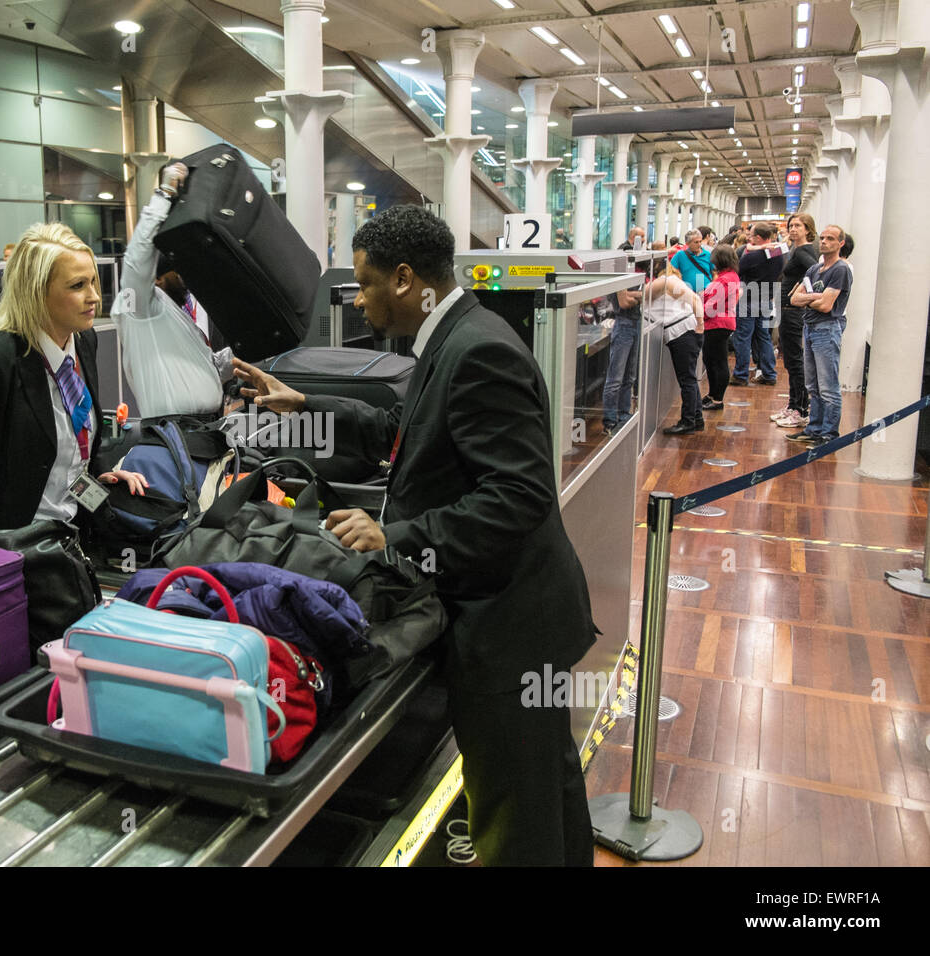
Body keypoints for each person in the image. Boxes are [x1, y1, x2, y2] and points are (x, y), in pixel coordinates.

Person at [233, 205, 597, 866]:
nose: (360, 298)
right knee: (544, 787)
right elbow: (405, 430)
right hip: (512, 615)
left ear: (404, 279)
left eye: (367, 283)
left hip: (512, 622)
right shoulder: (454, 334)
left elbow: (518, 496)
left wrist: (395, 535)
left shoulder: (477, 348)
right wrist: (305, 404)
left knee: (515, 810)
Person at [0, 222, 147, 530]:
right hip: (13, 547)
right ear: (36, 293)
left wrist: (101, 472)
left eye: (94, 282)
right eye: (78, 286)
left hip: (74, 533)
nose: (94, 296)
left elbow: (77, 441)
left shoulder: (83, 341)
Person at [111, 162, 231, 419]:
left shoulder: (180, 310)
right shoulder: (140, 309)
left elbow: (208, 365)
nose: (185, 276)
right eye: (177, 271)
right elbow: (136, 262)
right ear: (155, 280)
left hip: (206, 431)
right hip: (174, 435)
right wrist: (163, 196)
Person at [786, 224, 852, 446]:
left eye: (830, 238)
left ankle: (828, 433)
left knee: (828, 386)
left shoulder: (841, 269)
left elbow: (826, 305)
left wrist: (809, 298)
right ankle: (814, 428)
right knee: (812, 384)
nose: (824, 242)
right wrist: (815, 296)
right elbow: (793, 299)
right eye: (822, 238)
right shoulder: (814, 269)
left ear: (840, 243)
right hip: (810, 327)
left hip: (827, 328)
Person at [645, 264, 705, 434]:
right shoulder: (673, 284)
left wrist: (700, 324)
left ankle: (688, 422)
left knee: (687, 380)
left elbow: (695, 300)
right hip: (686, 333)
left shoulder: (667, 281)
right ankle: (697, 418)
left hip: (682, 334)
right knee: (690, 379)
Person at [771, 213, 818, 429]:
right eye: (791, 225)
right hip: (787, 309)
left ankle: (801, 409)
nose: (793, 229)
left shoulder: (804, 250)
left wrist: (800, 290)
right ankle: (793, 404)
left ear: (808, 229)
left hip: (793, 311)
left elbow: (816, 272)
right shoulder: (794, 249)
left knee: (795, 361)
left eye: (798, 225)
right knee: (790, 360)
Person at [733, 222, 785, 386]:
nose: (749, 238)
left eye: (752, 235)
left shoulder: (751, 256)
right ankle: (769, 373)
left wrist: (750, 249)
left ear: (759, 238)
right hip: (766, 298)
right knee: (764, 337)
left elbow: (737, 271)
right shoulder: (779, 254)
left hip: (748, 300)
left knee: (743, 337)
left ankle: (740, 375)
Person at [701, 243, 741, 411]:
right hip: (718, 323)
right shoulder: (729, 277)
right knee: (710, 359)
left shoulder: (726, 280)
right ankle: (712, 394)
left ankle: (718, 399)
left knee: (717, 361)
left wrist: (697, 313)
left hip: (718, 324)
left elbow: (712, 307)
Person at [601, 275, 643, 435]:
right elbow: (625, 302)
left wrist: (634, 297)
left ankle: (624, 415)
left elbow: (639, 296)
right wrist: (639, 297)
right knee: (615, 378)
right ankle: (610, 421)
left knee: (630, 376)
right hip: (624, 325)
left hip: (635, 323)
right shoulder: (620, 277)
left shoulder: (632, 277)